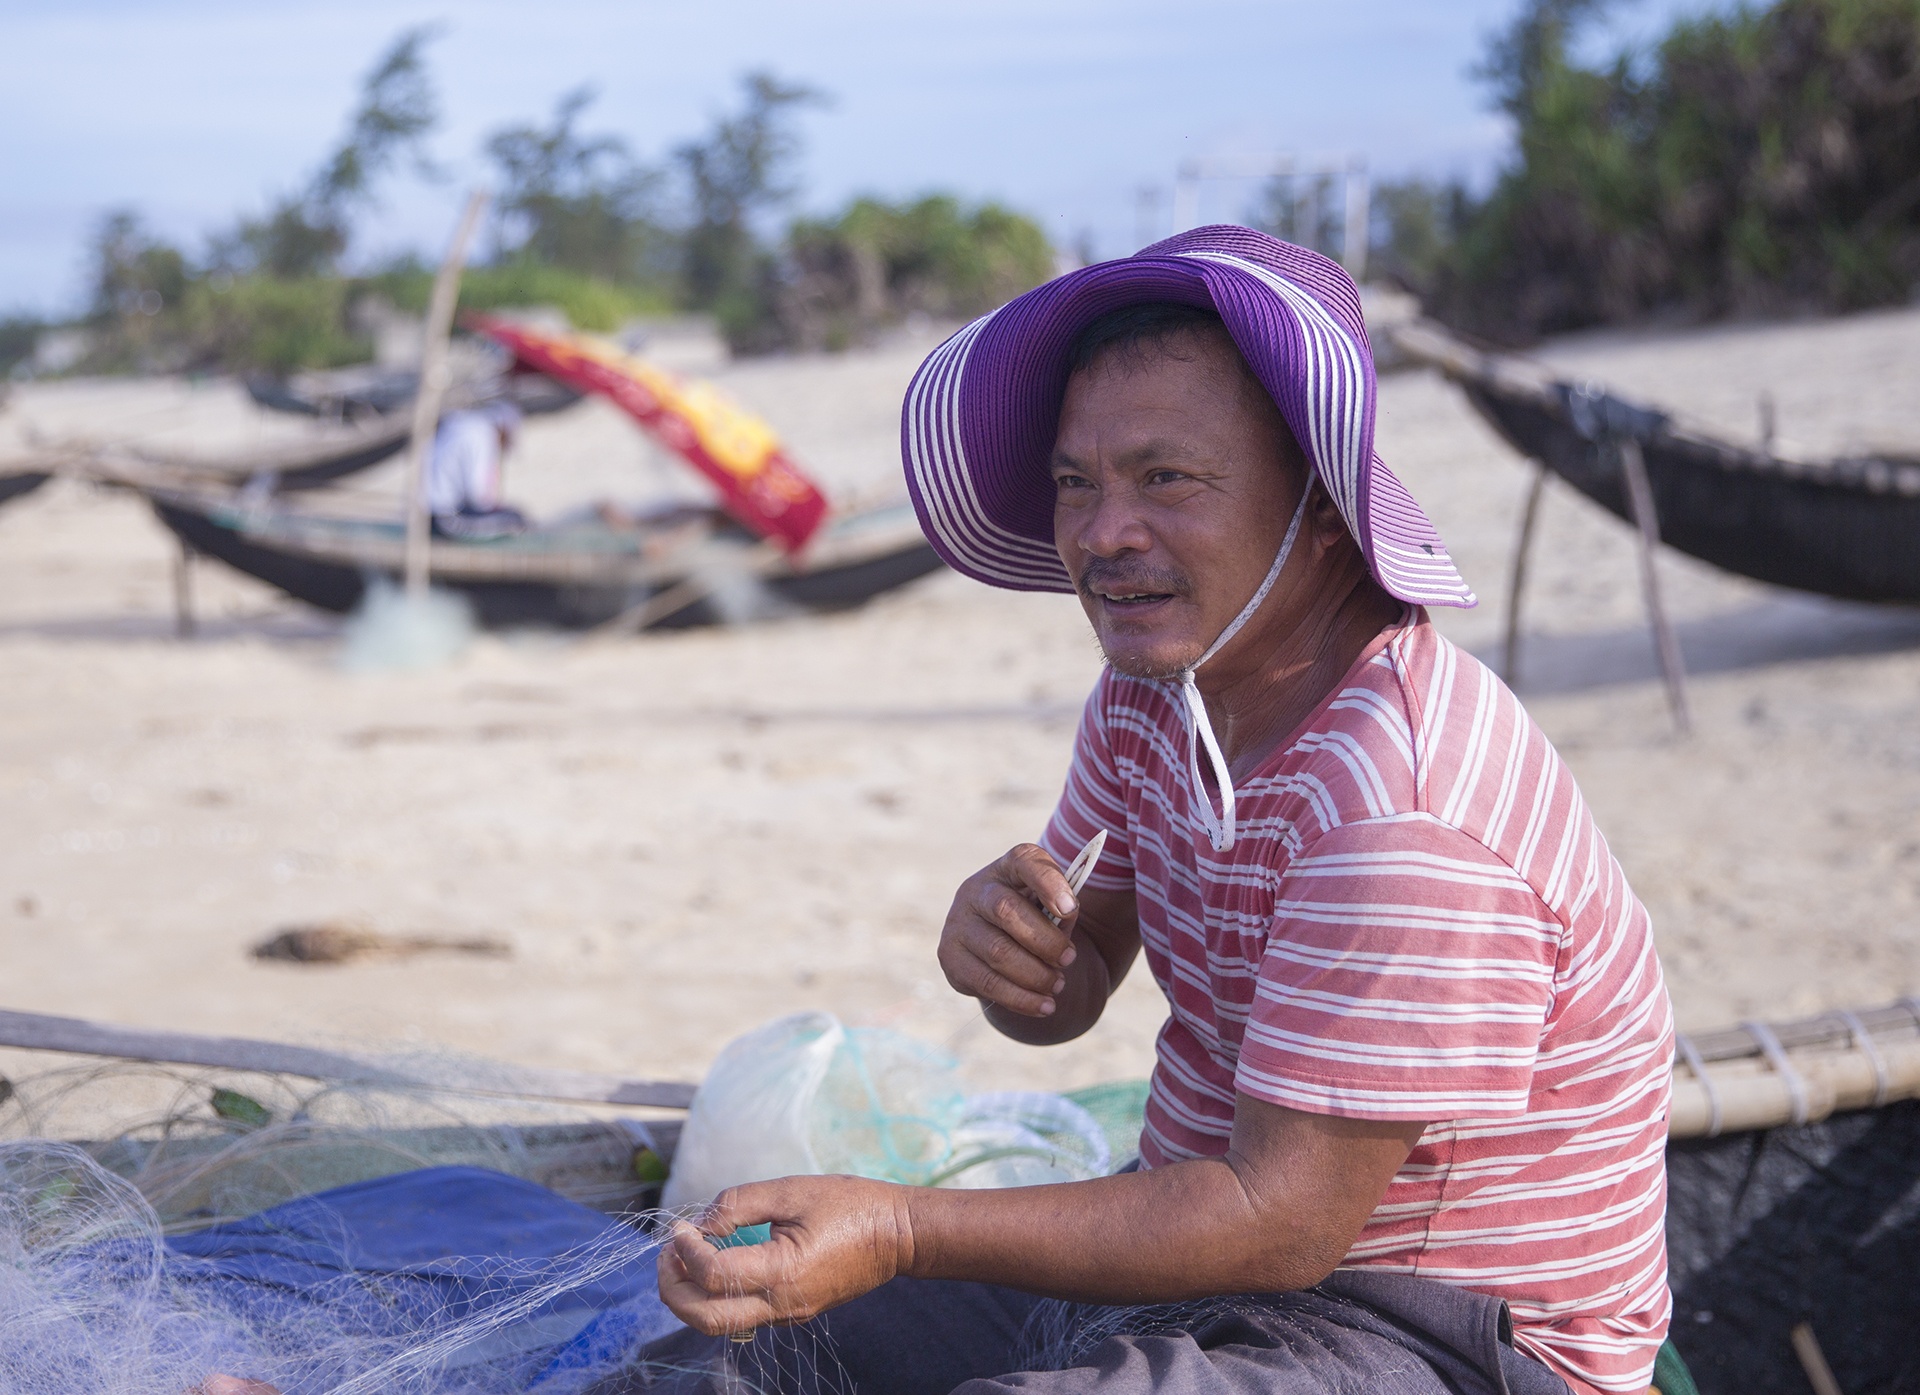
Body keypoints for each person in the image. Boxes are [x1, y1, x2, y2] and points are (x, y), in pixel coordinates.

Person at [638, 227, 1675, 1395]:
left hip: (1438, 1335)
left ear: (1322, 507)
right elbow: (1070, 992)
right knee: (741, 1361)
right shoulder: (1153, 697)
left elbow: (1284, 1223)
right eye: (1076, 484)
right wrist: (1014, 952)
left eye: (1165, 478)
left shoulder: (1403, 808)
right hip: (1210, 1260)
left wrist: (900, 1228)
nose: (1102, 534)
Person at [425, 400, 529, 539]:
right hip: (444, 517)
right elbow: (477, 496)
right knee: (515, 520)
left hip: (428, 512)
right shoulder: (482, 435)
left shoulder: (466, 425)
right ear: (504, 429)